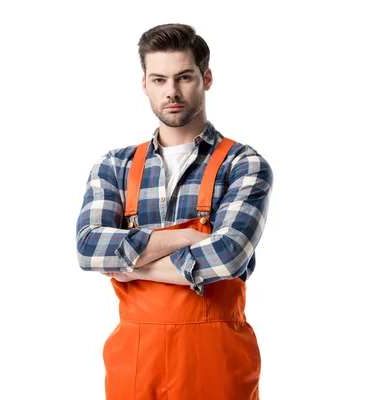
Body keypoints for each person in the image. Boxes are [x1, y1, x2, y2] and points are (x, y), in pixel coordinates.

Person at [75, 23, 273, 399]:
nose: (172, 92)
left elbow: (227, 256)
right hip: (134, 361)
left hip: (217, 361)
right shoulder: (115, 166)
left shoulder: (242, 164)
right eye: (159, 79)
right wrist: (185, 237)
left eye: (184, 77)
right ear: (144, 84)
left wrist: (127, 264)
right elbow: (88, 249)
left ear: (206, 78)